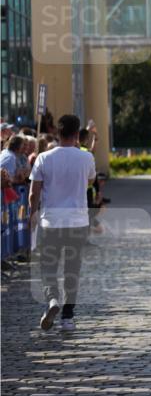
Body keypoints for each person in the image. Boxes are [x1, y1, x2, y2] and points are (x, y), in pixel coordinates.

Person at [28, 114, 96, 332]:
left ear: (57, 133)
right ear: (77, 135)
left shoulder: (43, 158)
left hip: (51, 222)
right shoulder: (87, 158)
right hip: (78, 222)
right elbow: (90, 181)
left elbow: (33, 192)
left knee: (48, 266)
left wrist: (33, 213)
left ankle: (52, 300)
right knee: (72, 269)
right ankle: (67, 317)